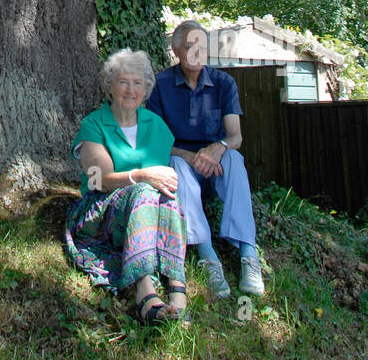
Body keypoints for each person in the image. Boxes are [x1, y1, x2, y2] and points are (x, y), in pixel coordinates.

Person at [66, 47, 189, 324]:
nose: (130, 89)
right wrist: (142, 176)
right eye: (123, 82)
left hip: (145, 214)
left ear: (146, 90)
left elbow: (163, 181)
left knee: (166, 195)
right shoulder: (94, 124)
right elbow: (101, 180)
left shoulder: (157, 126)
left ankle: (177, 290)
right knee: (147, 191)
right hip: (99, 211)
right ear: (110, 86)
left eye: (137, 83)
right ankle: (145, 291)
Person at [146, 20, 264, 298]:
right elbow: (156, 143)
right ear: (176, 50)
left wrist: (218, 147)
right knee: (175, 164)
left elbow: (235, 136)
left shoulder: (224, 83)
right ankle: (207, 253)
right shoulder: (160, 85)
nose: (197, 52)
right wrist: (189, 155)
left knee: (235, 159)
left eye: (202, 45)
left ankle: (248, 253)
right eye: (190, 46)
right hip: (182, 164)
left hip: (217, 167)